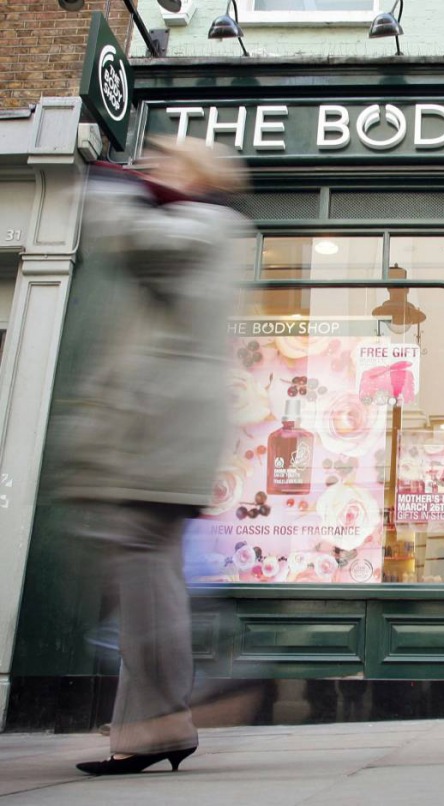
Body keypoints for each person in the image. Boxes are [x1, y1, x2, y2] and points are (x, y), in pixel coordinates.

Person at [51, 136, 250, 775]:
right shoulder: (196, 223)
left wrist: (110, 190)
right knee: (147, 574)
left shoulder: (205, 223)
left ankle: (166, 716)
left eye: (167, 161)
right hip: (158, 432)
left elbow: (140, 244)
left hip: (160, 433)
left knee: (144, 574)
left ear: (193, 174)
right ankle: (151, 727)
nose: (153, 167)